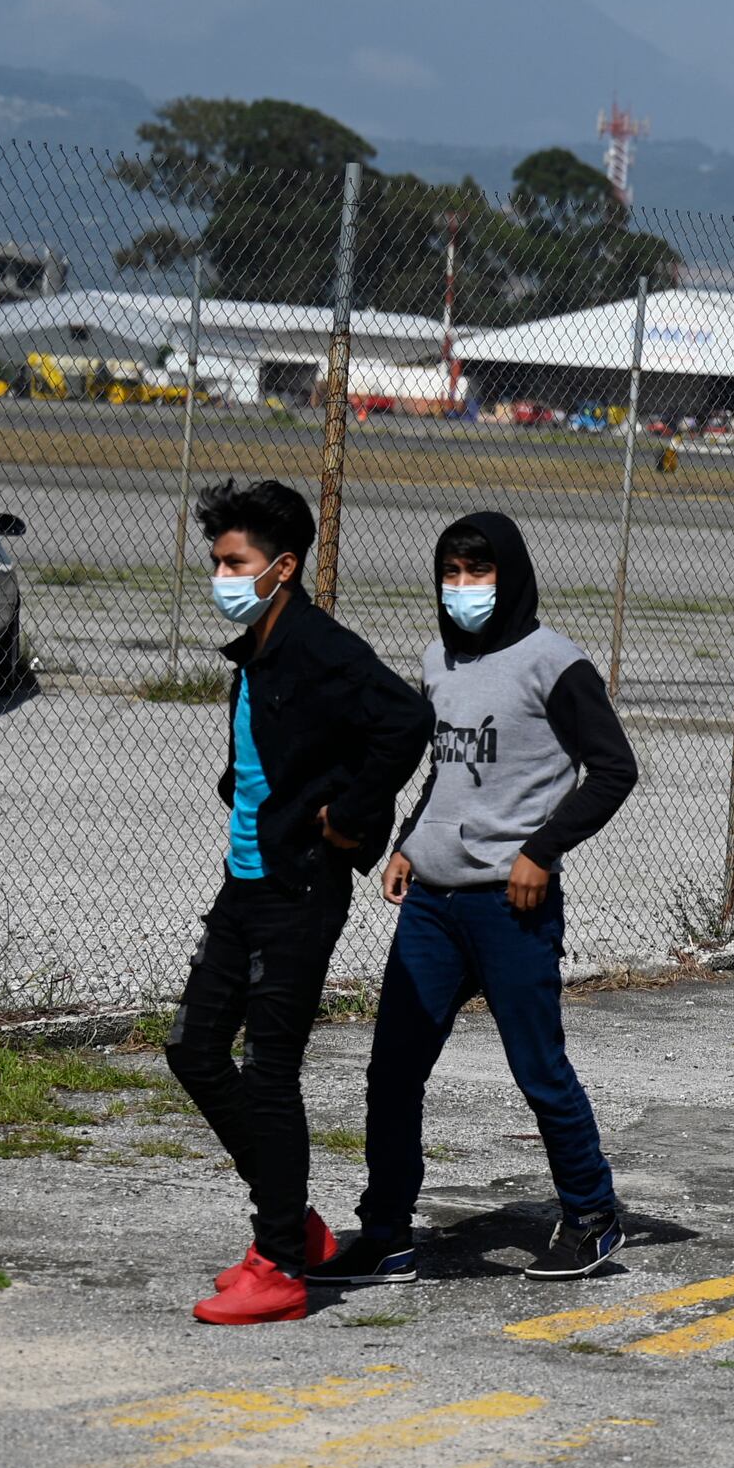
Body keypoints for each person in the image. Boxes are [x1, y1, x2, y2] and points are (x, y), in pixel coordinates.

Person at [315, 513, 640, 1290]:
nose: (463, 590)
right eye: (451, 574)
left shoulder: (553, 664)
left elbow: (613, 769)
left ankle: (592, 1216)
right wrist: (405, 843)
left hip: (510, 906)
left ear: (512, 576)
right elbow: (444, 771)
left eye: (479, 574)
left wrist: (541, 850)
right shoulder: (439, 660)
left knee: (538, 1069)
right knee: (392, 1071)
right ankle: (387, 1233)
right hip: (432, 904)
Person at [167, 479, 429, 1325]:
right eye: (215, 560)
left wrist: (351, 819)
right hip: (246, 881)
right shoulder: (258, 643)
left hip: (300, 890)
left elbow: (404, 720)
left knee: (268, 1071)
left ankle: (280, 1265)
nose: (221, 574)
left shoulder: (319, 647)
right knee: (194, 1050)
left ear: (281, 567)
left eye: (234, 561)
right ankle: (296, 1224)